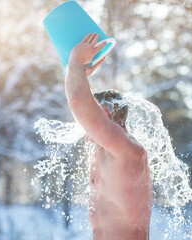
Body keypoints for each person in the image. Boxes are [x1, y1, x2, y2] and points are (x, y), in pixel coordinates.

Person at [65, 33, 152, 240]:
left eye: (91, 118)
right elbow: (78, 98)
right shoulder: (106, 150)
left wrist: (76, 62)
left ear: (105, 115)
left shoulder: (124, 148)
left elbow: (78, 100)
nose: (83, 125)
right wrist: (77, 74)